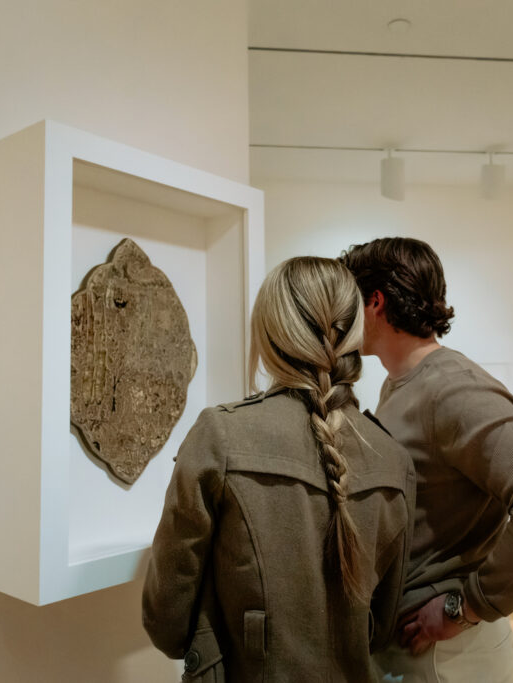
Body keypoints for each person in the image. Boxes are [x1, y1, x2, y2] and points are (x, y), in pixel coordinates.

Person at [142, 256, 416, 682]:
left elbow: (167, 622)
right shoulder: (394, 460)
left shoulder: (222, 436)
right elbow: (378, 629)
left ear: (271, 333)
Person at [340, 238, 513, 683]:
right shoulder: (400, 384)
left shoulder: (453, 390)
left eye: (347, 301)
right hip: (414, 645)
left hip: (448, 657)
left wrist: (467, 606)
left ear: (375, 302)